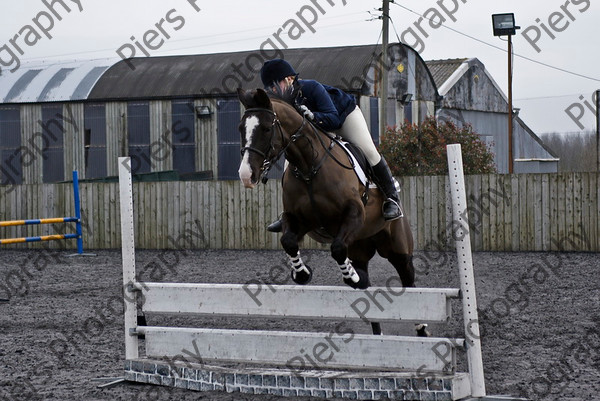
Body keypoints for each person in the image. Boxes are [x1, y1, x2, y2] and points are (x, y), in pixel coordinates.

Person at [259, 59, 401, 232]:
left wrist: (312, 116)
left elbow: (333, 118)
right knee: (290, 163)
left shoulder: (311, 87)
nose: (272, 91)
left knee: (369, 151)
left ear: (289, 79)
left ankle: (392, 198)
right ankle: (288, 213)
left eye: (274, 85)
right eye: (269, 88)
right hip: (317, 130)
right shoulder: (282, 101)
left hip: (343, 117)